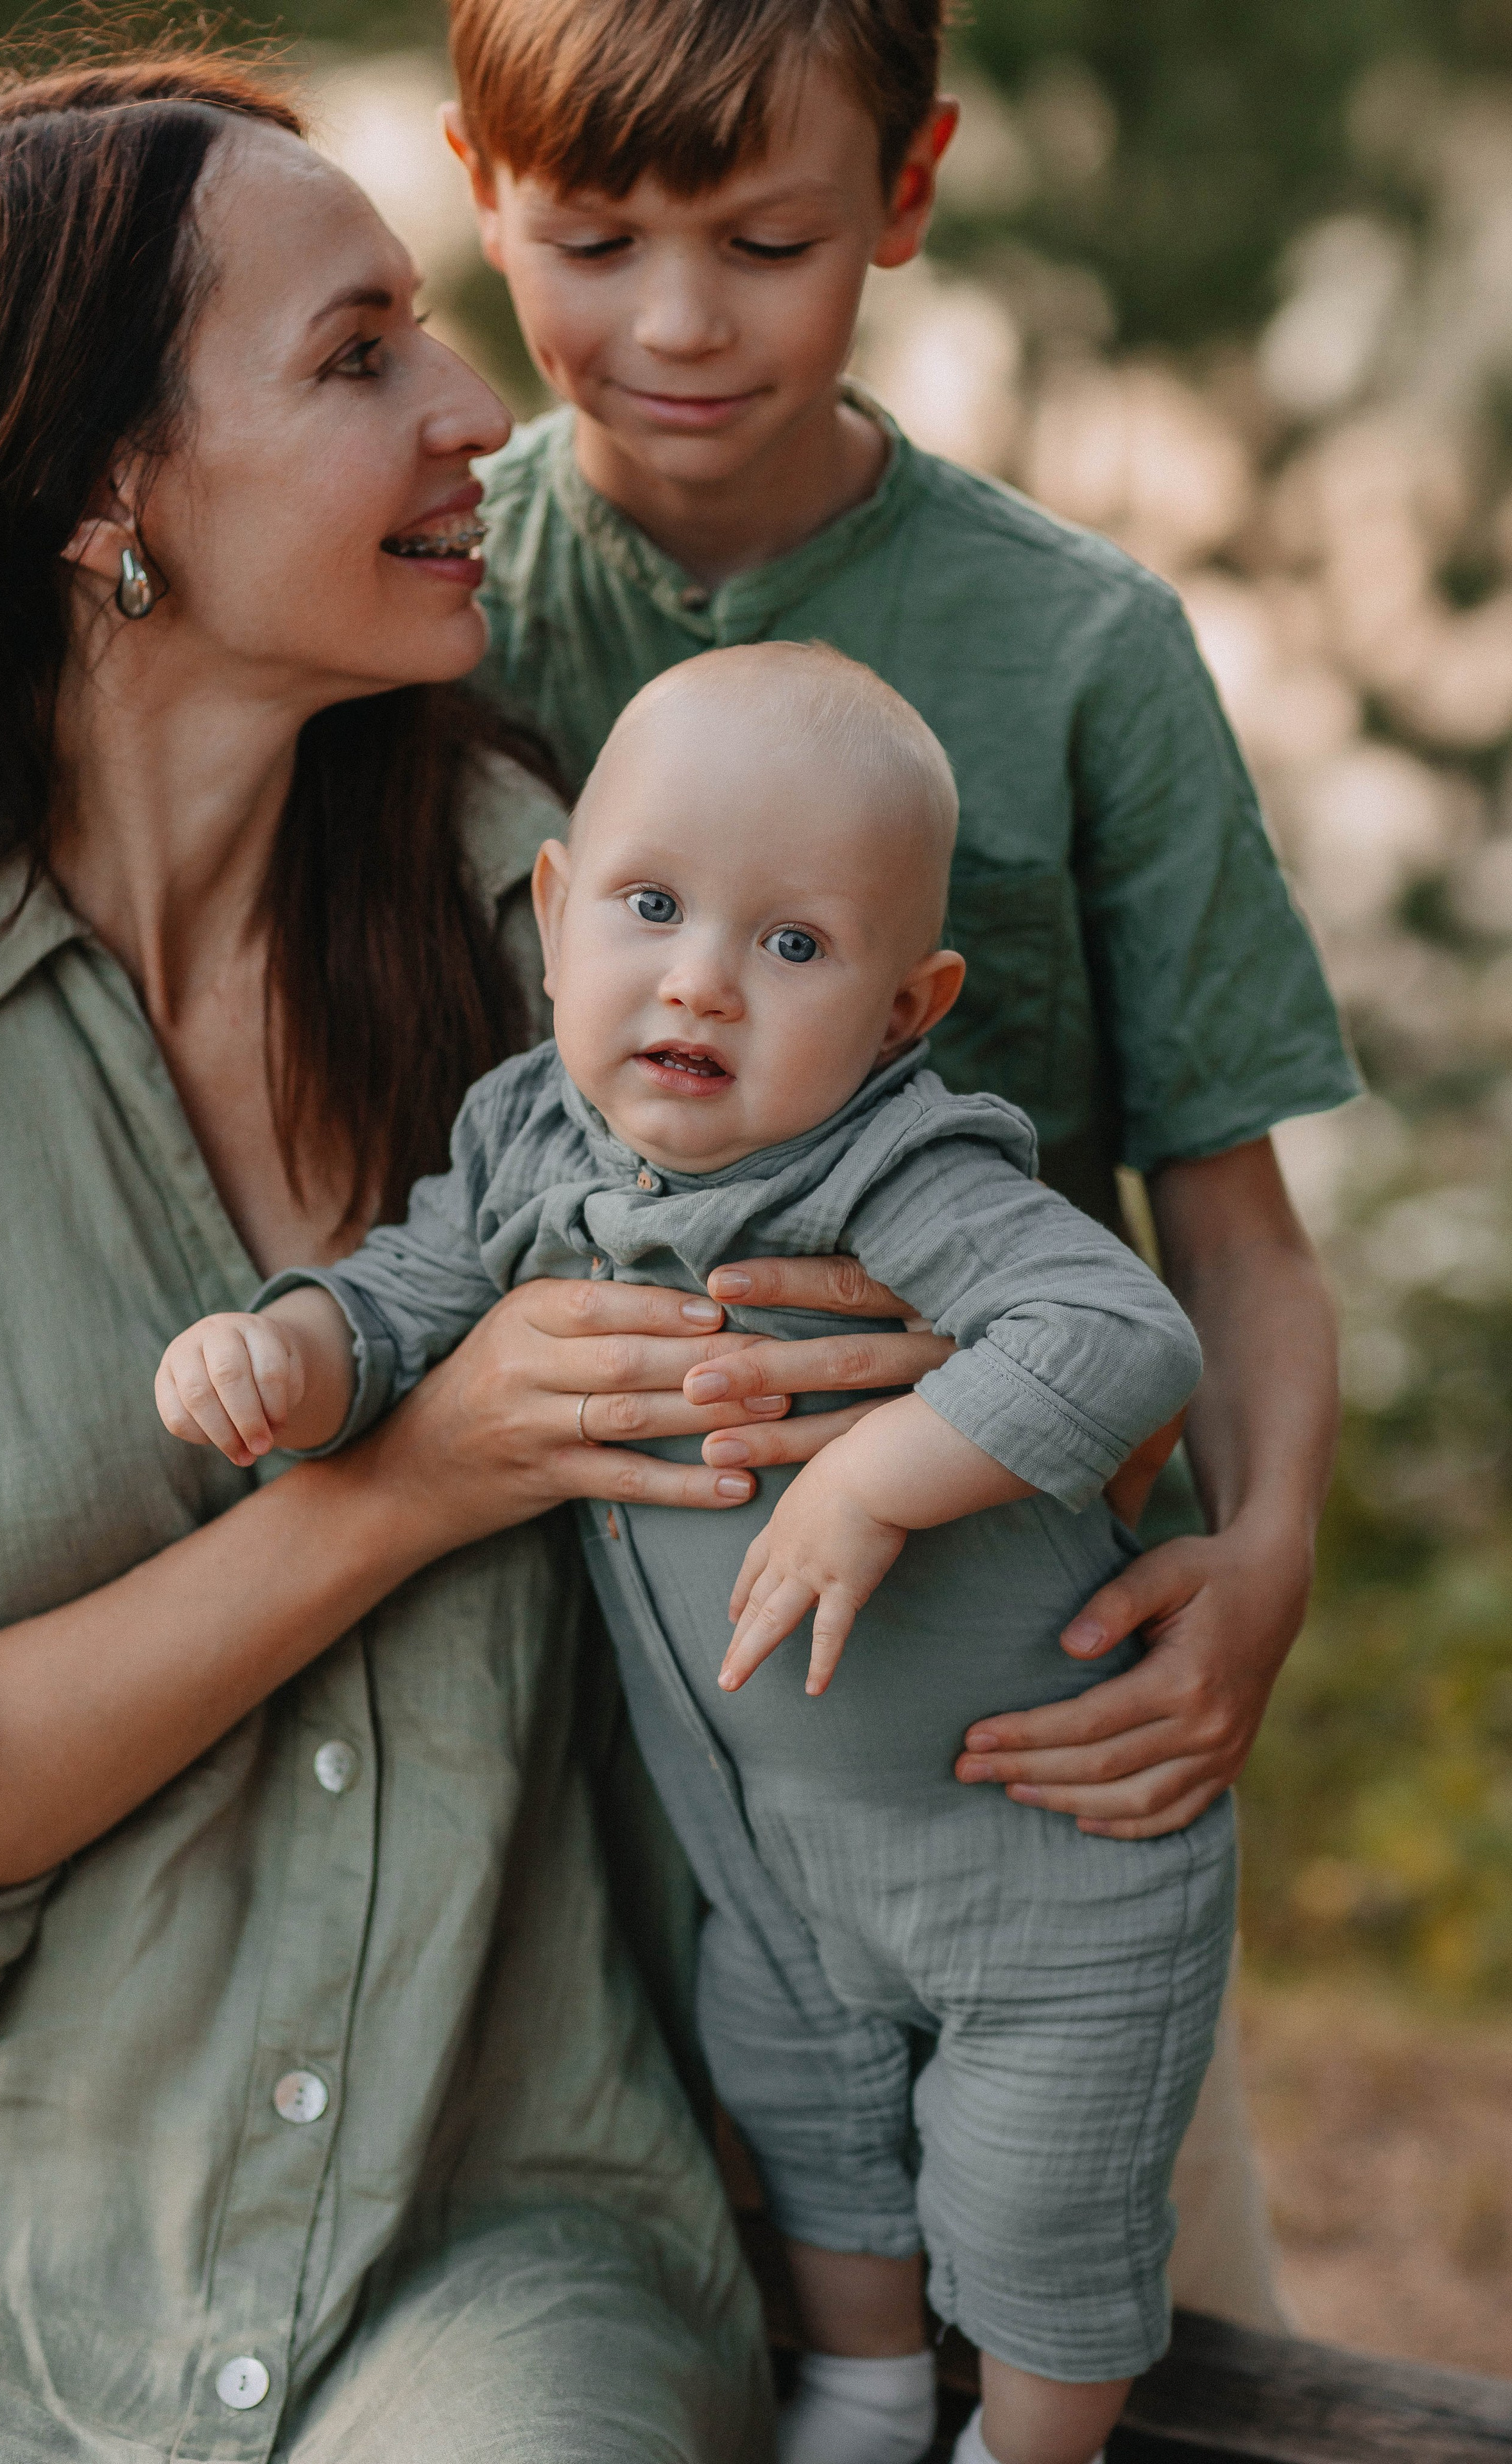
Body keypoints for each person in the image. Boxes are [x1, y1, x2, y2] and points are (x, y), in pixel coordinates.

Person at [0, 52, 959, 2461]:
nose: (484, 401)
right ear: (96, 492)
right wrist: (420, 1473)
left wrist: (907, 1364)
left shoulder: (558, 918)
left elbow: (874, 1298)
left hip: (512, 2224)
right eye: (358, 357)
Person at [428, 0, 1359, 2336]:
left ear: (911, 195)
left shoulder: (1082, 649)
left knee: (1105, 2301)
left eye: (765, 241)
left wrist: (1260, 1570)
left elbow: (1230, 1232)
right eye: (594, 237)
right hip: (599, 1704)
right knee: (709, 2306)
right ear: (475, 189)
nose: (674, 320)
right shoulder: (422, 616)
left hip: (1005, 1711)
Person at [158, 641, 1227, 2464]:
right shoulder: (524, 1137)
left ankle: (1030, 2450)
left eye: (795, 947)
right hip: (769, 1860)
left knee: (1041, 2213)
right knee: (808, 2135)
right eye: (651, 908)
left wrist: (880, 1473)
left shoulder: (903, 1172)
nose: (703, 984)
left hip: (1037, 1855)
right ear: (560, 911)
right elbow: (410, 1295)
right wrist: (293, 1351)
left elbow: (1124, 1335)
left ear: (907, 1008)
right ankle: (872, 2395)